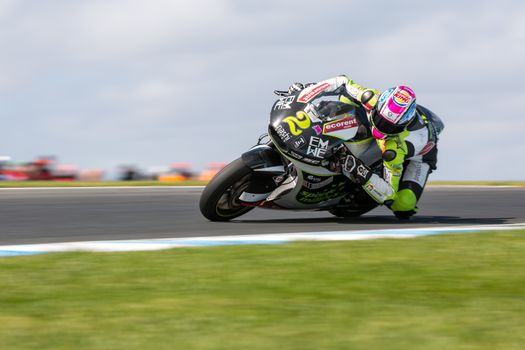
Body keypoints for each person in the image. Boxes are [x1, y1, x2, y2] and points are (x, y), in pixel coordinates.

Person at [288, 76, 444, 219]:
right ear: (378, 105)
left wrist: (358, 170)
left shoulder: (395, 148)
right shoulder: (370, 97)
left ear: (402, 126)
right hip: (387, 124)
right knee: (346, 100)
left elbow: (389, 193)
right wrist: (305, 93)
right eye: (380, 119)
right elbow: (341, 82)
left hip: (422, 154)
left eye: (389, 126)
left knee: (403, 205)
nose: (382, 127)